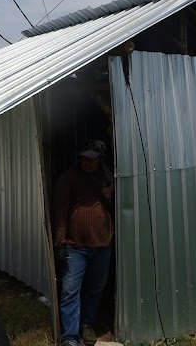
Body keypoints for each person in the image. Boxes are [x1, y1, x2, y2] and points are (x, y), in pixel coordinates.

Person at [53, 139, 114, 346]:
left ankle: (86, 325)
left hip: (102, 245)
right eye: (83, 159)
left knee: (95, 289)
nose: (86, 162)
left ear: (100, 160)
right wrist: (60, 243)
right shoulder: (69, 179)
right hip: (74, 247)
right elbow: (60, 213)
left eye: (91, 159)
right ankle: (70, 337)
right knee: (70, 290)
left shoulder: (108, 181)